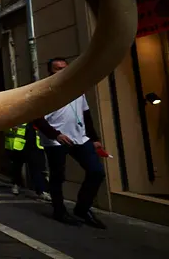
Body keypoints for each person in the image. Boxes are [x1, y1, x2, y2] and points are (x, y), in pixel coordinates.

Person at [33, 57, 107, 228]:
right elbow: (36, 118)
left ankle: (82, 209)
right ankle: (59, 211)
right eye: (58, 68)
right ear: (50, 71)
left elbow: (86, 115)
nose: (63, 70)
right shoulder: (45, 90)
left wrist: (94, 138)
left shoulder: (77, 87)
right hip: (56, 141)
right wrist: (56, 134)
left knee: (96, 172)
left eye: (65, 67)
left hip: (80, 138)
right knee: (58, 176)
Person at [6, 122, 51, 202]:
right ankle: (16, 184)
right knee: (17, 166)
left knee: (38, 168)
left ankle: (41, 190)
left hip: (35, 143)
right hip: (20, 143)